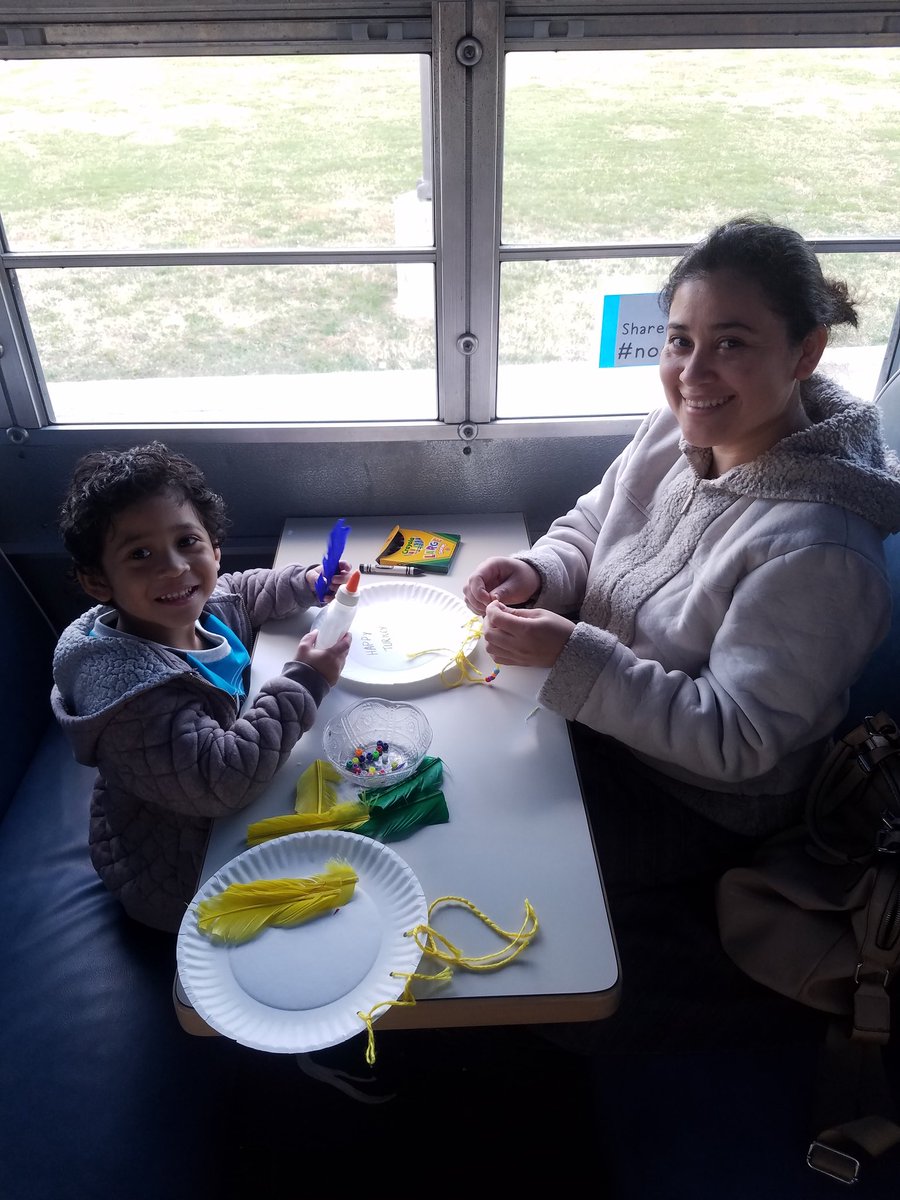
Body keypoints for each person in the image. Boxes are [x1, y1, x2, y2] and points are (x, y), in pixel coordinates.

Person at [464, 217, 900, 1048]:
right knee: (451, 774)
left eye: (730, 343)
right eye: (679, 340)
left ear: (805, 353)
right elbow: (596, 522)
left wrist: (572, 658)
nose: (692, 374)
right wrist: (540, 572)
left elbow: (738, 742)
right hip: (602, 721)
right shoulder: (685, 424)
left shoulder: (821, 547)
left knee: (486, 848)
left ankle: (502, 1054)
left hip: (698, 800)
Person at [51, 442, 351, 934]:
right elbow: (224, 779)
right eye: (139, 554)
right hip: (181, 870)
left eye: (187, 542)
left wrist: (309, 582)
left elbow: (246, 593)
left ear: (214, 547)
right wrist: (306, 681)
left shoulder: (197, 605)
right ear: (98, 581)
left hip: (216, 801)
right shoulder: (134, 699)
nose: (173, 568)